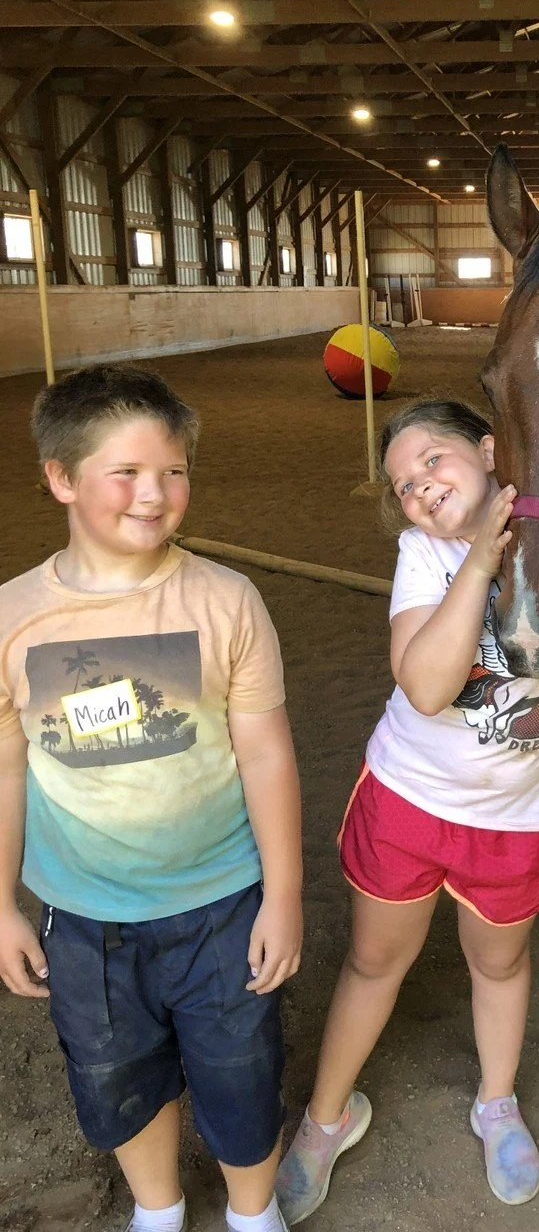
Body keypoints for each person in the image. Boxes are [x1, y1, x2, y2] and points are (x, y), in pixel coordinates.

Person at [276, 399, 539, 1224]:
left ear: (491, 450)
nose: (419, 488)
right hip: (411, 801)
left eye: (433, 460)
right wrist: (476, 565)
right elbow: (427, 685)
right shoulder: (425, 557)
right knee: (373, 962)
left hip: (519, 818)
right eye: (403, 485)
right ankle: (328, 1117)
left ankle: (496, 1103)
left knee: (499, 964)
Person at [0, 365, 303, 1232]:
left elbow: (266, 752)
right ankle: (158, 1208)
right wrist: (2, 906)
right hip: (83, 917)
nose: (155, 494)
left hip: (219, 903)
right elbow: (7, 768)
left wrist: (281, 894)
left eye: (173, 471)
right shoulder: (15, 618)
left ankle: (253, 1214)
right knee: (115, 1075)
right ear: (61, 477)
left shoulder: (225, 600)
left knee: (242, 1070)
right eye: (125, 473)